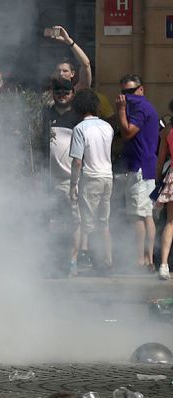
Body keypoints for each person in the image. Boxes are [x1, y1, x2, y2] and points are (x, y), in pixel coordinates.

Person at [116, 74, 160, 272]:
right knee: (146, 214)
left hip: (140, 169)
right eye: (123, 92)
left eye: (130, 92)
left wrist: (121, 110)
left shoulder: (140, 107)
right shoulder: (141, 106)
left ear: (141, 89)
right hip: (145, 167)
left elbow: (128, 132)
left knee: (137, 216)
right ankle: (148, 259)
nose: (126, 96)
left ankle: (141, 261)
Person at [69, 89, 114, 274]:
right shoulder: (107, 127)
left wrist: (73, 184)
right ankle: (108, 260)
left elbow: (78, 161)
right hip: (107, 176)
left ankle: (83, 257)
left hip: (91, 178)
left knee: (86, 222)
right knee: (104, 222)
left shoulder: (80, 129)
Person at [42, 78, 83, 276]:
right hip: (48, 179)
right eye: (58, 91)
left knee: (74, 221)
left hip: (71, 180)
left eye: (66, 92)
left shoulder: (77, 117)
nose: (62, 95)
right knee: (51, 221)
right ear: (52, 93)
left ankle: (72, 261)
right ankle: (52, 259)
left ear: (72, 93)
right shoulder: (44, 115)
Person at [154, 100, 173, 280]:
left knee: (170, 222)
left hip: (172, 176)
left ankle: (164, 265)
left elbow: (160, 160)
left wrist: (158, 179)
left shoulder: (167, 130)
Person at [46, 26, 92, 90]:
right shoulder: (48, 93)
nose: (61, 74)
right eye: (58, 71)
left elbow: (86, 65)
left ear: (72, 74)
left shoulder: (75, 91)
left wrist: (68, 41)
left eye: (65, 71)